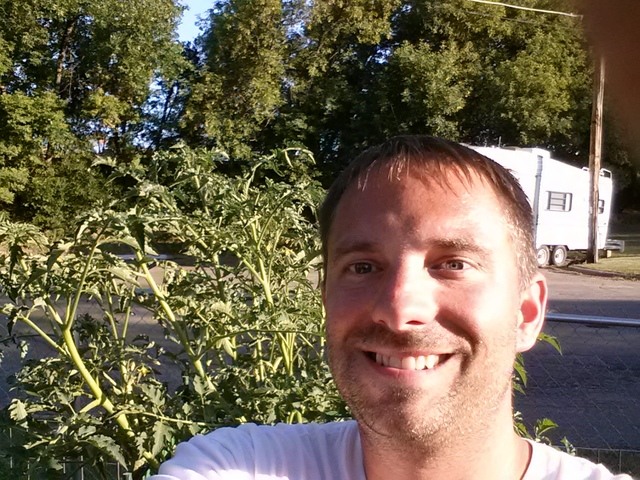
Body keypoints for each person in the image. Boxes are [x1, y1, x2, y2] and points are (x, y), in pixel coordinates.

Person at [151, 136, 632, 480]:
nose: (399, 310)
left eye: (453, 264)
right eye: (362, 267)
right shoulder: (238, 465)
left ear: (527, 312)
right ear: (325, 299)